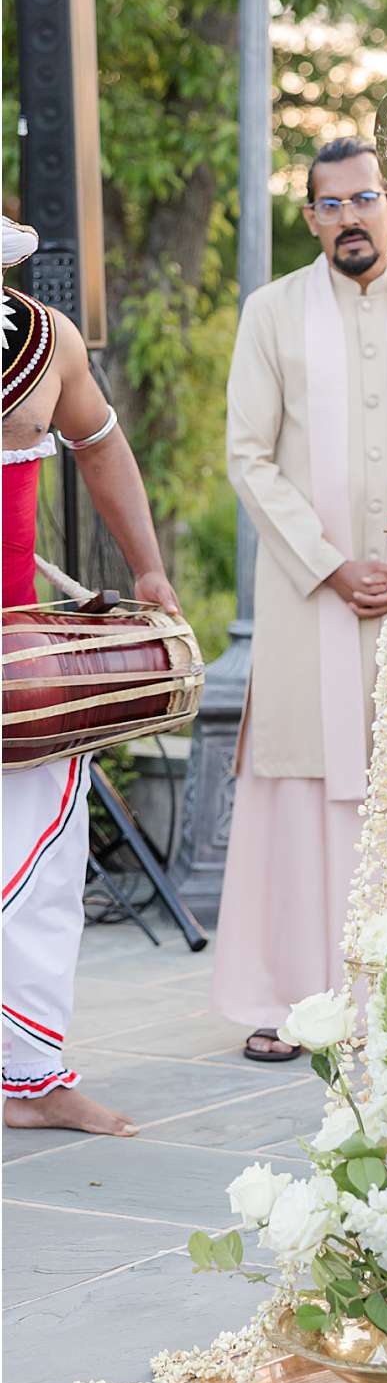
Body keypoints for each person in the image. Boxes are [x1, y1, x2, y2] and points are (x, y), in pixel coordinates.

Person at [210, 138, 387, 1059]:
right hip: (310, 599)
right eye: (329, 204)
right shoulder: (273, 311)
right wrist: (332, 564)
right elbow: (247, 453)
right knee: (298, 792)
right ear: (309, 218)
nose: (349, 217)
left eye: (364, 199)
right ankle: (286, 996)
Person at [2, 216, 180, 1136]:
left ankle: (29, 1077)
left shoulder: (44, 338)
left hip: (19, 658)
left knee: (42, 866)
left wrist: (148, 569)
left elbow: (102, 445)